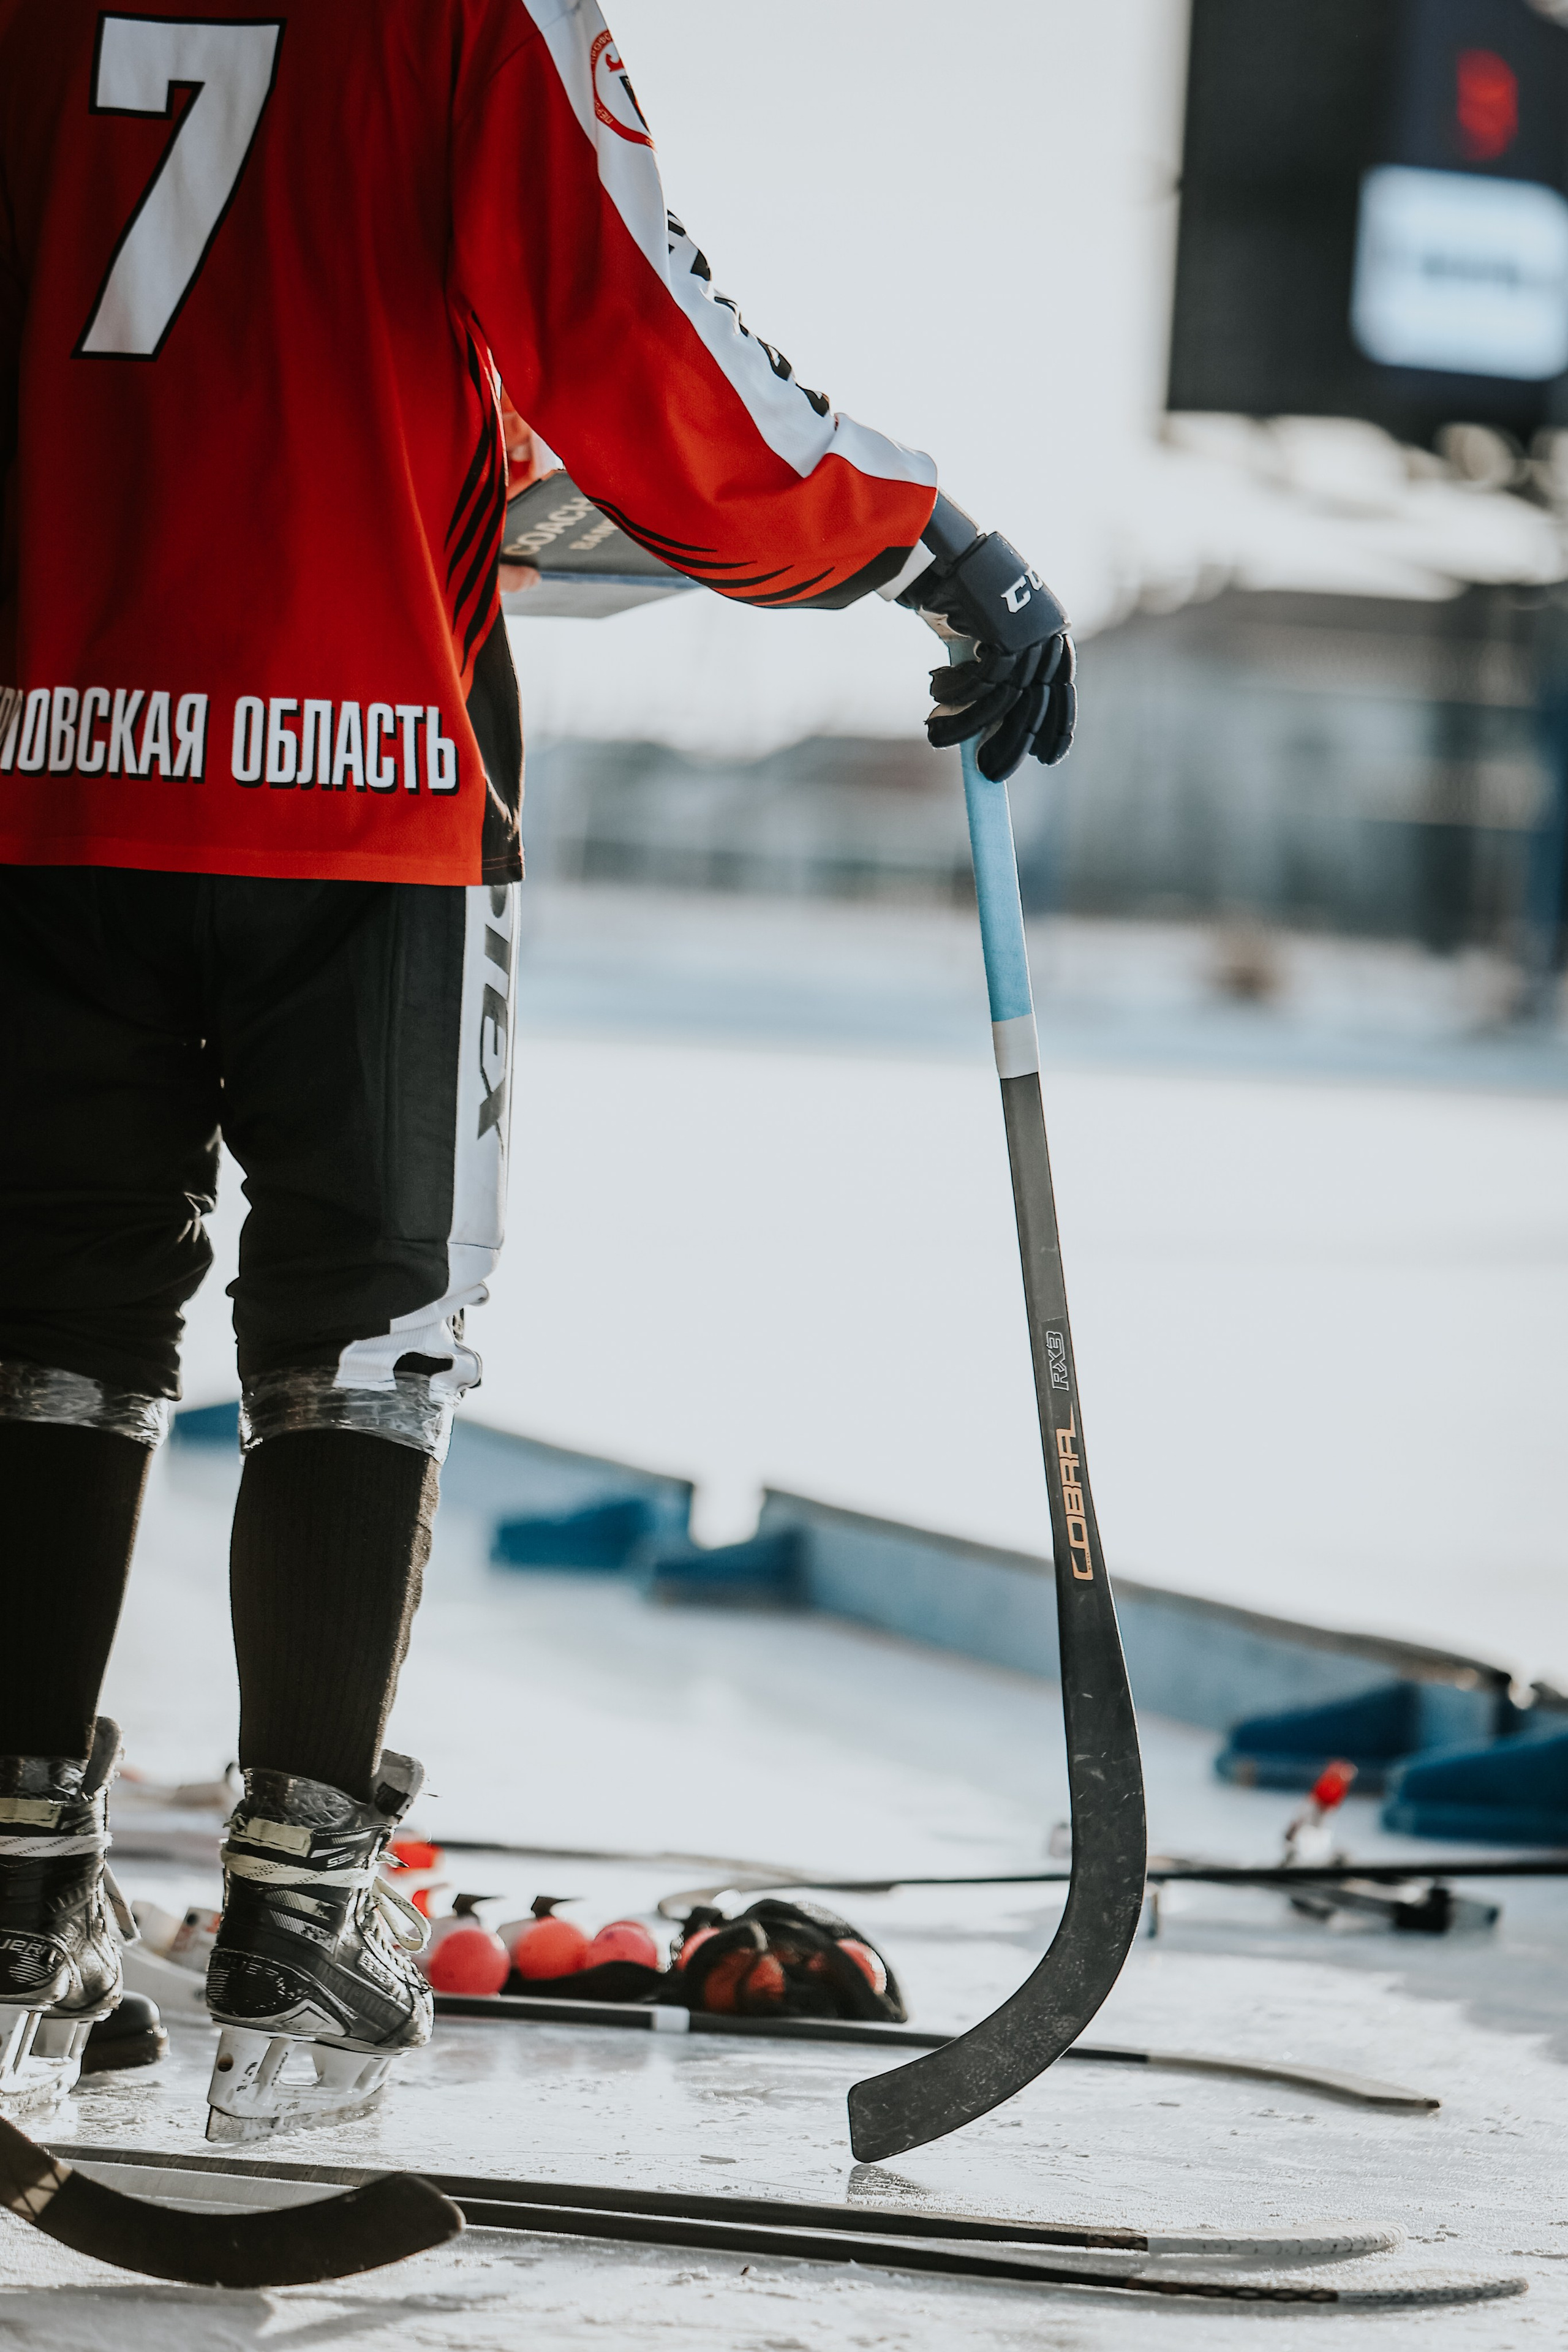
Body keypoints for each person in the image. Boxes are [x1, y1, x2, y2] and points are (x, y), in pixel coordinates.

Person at [0, 0, 1076, 2136]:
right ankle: (305, 1912)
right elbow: (644, 345)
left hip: (42, 757)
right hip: (370, 765)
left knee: (41, 1314)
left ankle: (16, 1887)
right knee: (370, 1317)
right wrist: (927, 534)